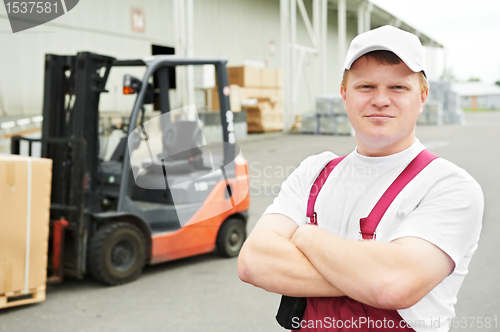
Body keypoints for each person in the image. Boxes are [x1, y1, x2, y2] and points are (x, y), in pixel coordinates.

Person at [237, 25, 483, 332]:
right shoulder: (314, 172)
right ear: (344, 95)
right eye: (366, 87)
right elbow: (253, 262)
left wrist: (306, 236)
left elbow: (392, 285)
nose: (380, 100)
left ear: (422, 97)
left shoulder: (449, 187)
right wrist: (366, 273)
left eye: (398, 88)